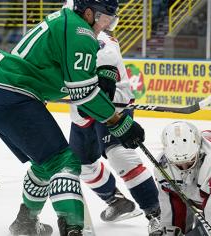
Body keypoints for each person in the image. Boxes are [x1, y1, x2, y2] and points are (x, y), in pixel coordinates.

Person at [0, 0, 146, 235]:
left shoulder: (67, 21)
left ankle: (25, 223)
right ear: (89, 13)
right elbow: (84, 95)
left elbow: (74, 79)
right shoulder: (80, 31)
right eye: (107, 16)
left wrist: (98, 77)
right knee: (65, 162)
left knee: (45, 162)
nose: (109, 24)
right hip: (12, 95)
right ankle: (73, 229)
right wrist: (119, 123)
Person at [63, 2, 162, 232]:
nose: (107, 23)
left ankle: (157, 213)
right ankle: (116, 201)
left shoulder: (101, 43)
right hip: (82, 109)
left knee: (120, 156)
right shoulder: (66, 35)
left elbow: (103, 89)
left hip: (111, 105)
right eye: (104, 17)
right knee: (81, 164)